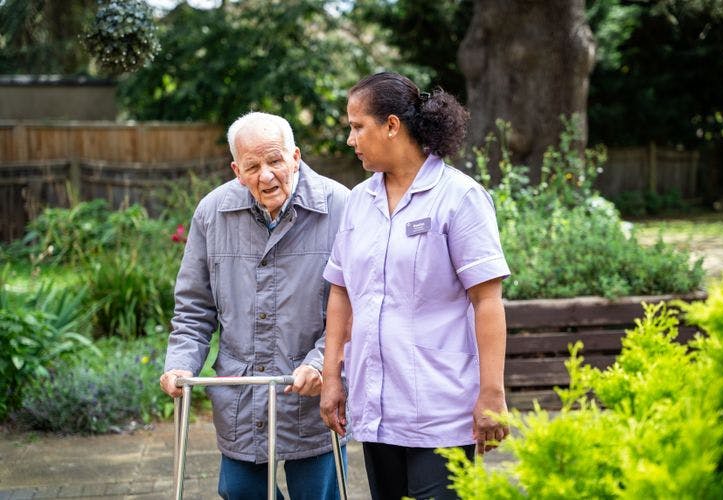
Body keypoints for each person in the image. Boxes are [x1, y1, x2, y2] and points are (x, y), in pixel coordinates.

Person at [320, 72, 511, 500]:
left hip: (440, 407)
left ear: (391, 125)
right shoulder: (358, 202)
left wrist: (491, 394)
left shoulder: (460, 197)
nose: (351, 140)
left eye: (357, 126)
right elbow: (341, 291)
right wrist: (332, 376)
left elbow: (487, 300)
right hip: (376, 406)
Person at [160, 111, 349, 500]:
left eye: (275, 160)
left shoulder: (342, 207)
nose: (266, 176)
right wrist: (180, 362)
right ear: (236, 170)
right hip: (241, 400)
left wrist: (321, 365)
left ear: (295, 156)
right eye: (252, 166)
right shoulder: (212, 213)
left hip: (311, 399)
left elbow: (356, 309)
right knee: (239, 491)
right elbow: (194, 308)